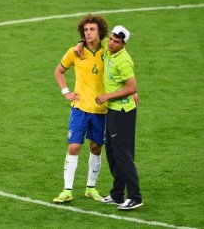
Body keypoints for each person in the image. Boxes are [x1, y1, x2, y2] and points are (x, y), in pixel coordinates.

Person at [52, 14, 108, 203]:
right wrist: (66, 92)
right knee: (74, 146)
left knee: (96, 147)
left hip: (101, 110)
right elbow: (58, 71)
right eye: (85, 30)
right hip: (80, 108)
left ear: (100, 31)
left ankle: (90, 188)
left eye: (92, 29)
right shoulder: (75, 52)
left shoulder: (108, 49)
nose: (88, 33)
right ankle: (67, 190)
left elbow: (122, 52)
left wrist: (131, 88)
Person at [95, 25, 143, 210]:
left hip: (123, 113)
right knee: (112, 154)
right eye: (112, 39)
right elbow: (94, 41)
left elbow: (132, 87)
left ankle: (135, 196)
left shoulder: (123, 61)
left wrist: (107, 96)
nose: (112, 44)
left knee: (123, 155)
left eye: (117, 42)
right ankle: (116, 194)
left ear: (124, 44)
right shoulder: (108, 46)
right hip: (113, 111)